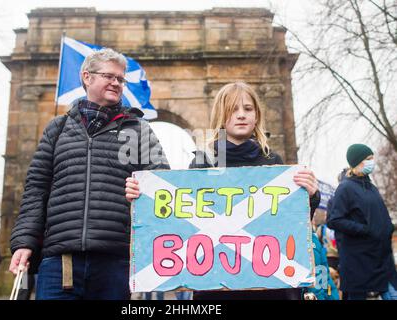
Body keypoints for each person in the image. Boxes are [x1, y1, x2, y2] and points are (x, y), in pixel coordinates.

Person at [125, 82, 321, 300]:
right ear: (221, 115)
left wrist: (310, 196)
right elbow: (177, 223)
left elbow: (290, 224)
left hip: (267, 286)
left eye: (248, 109)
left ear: (256, 115)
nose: (241, 115)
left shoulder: (273, 162)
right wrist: (142, 198)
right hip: (215, 287)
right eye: (233, 109)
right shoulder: (202, 164)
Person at [9, 48, 169, 300]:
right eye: (109, 76)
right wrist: (24, 242)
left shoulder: (139, 130)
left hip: (115, 261)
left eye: (120, 79)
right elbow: (36, 189)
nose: (116, 83)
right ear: (87, 77)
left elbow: (163, 184)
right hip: (60, 262)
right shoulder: (57, 128)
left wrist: (144, 188)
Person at [327, 144, 397, 300]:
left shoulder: (371, 187)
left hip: (382, 258)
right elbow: (334, 220)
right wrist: (364, 229)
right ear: (357, 162)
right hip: (360, 260)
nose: (372, 162)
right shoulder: (345, 188)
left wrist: (388, 227)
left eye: (372, 158)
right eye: (368, 159)